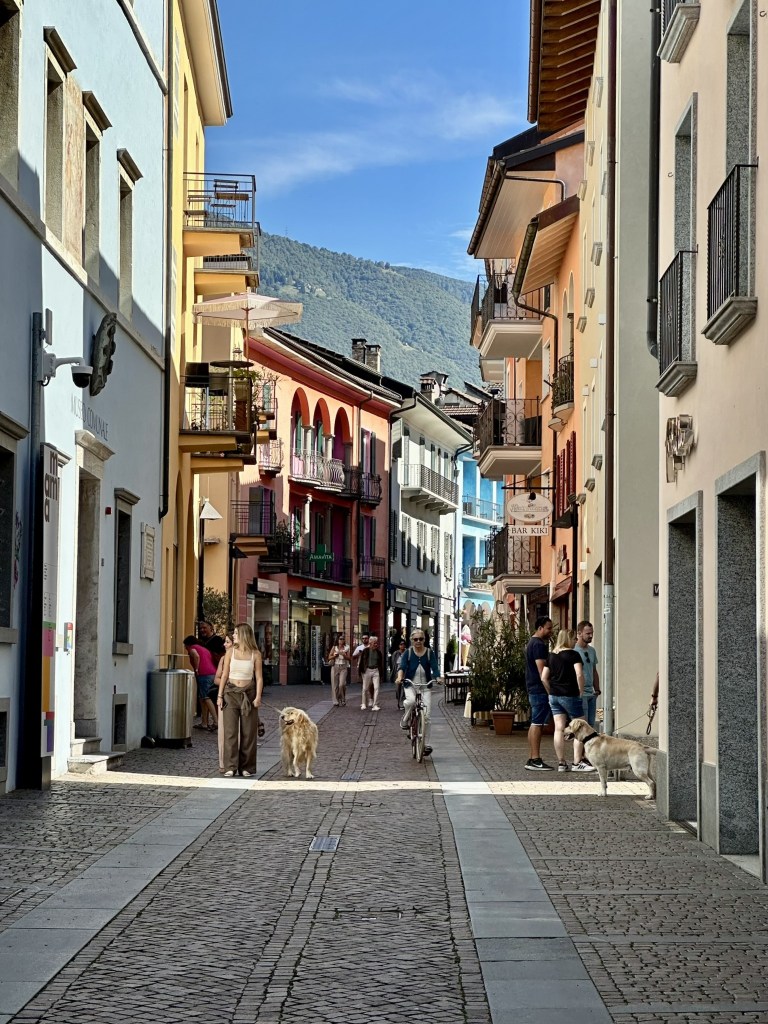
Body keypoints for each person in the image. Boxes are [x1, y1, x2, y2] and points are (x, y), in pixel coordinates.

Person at [216, 623, 263, 778]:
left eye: (236, 633)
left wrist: (258, 696)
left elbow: (259, 677)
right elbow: (224, 675)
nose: (233, 636)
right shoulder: (230, 652)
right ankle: (230, 766)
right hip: (230, 693)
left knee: (249, 732)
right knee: (230, 732)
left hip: (249, 694)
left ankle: (247, 767)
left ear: (243, 635)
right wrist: (220, 696)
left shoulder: (255, 654)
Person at [542, 628, 587, 772]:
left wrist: (550, 692)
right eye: (574, 639)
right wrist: (580, 691)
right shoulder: (574, 655)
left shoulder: (551, 656)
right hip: (570, 695)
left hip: (554, 696)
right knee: (580, 728)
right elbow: (579, 674)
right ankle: (577, 762)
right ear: (568, 639)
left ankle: (561, 763)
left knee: (559, 729)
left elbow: (543, 678)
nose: (575, 641)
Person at [398, 630, 441, 757]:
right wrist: (400, 677)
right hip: (410, 684)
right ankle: (405, 719)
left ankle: (425, 744)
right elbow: (402, 667)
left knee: (426, 716)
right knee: (411, 701)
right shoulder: (408, 652)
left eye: (421, 639)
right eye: (416, 639)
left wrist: (438, 677)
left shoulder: (429, 652)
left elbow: (435, 667)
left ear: (424, 640)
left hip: (425, 686)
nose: (418, 641)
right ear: (412, 640)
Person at [524, 616, 554, 771]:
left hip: (533, 687)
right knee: (538, 723)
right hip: (539, 689)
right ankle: (535, 758)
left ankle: (532, 758)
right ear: (540, 628)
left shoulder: (532, 642)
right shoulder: (538, 645)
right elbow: (542, 671)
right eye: (548, 628)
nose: (551, 631)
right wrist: (550, 691)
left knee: (535, 722)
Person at [574, 620, 600, 772]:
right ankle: (578, 759)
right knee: (581, 727)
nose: (590, 636)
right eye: (587, 633)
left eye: (592, 633)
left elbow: (594, 670)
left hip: (591, 693)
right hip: (581, 693)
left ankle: (586, 757)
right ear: (579, 633)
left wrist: (597, 688)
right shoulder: (574, 651)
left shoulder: (592, 651)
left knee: (590, 726)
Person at [184, 635, 218, 732]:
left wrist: (196, 669)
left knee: (206, 697)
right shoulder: (204, 649)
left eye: (185, 646)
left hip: (204, 674)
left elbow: (196, 656)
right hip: (213, 673)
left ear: (188, 644)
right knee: (202, 698)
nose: (185, 649)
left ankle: (216, 722)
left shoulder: (192, 648)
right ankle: (204, 722)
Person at [213, 633, 233, 770]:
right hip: (226, 696)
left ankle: (237, 762)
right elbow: (216, 679)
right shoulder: (223, 658)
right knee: (224, 731)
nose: (224, 645)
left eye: (227, 642)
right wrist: (229, 684)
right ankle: (223, 763)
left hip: (241, 698)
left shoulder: (247, 657)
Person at [359, 635, 384, 710]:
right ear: (370, 643)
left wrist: (381, 673)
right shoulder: (365, 651)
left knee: (376, 688)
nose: (376, 645)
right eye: (374, 643)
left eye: (376, 643)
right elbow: (361, 662)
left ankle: (375, 704)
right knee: (365, 688)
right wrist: (361, 672)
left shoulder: (378, 652)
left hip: (376, 670)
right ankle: (364, 703)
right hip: (367, 670)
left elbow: (380, 663)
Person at [328, 632, 351, 706]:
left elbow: (349, 658)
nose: (341, 640)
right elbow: (329, 657)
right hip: (335, 666)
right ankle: (336, 700)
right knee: (335, 685)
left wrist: (344, 655)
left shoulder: (347, 648)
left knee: (342, 684)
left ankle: (343, 699)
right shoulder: (334, 647)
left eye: (343, 639)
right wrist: (335, 656)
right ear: (337, 640)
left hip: (343, 667)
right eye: (340, 639)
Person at [390, 639, 407, 709]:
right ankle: (398, 702)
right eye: (401, 644)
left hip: (406, 671)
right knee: (398, 687)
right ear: (399, 645)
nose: (402, 646)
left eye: (403, 644)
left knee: (405, 687)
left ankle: (404, 702)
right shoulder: (395, 653)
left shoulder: (407, 652)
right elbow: (393, 663)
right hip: (398, 672)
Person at [352, 633, 370, 698]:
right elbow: (353, 657)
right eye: (363, 638)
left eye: (366, 638)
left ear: (368, 639)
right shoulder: (359, 647)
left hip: (371, 667)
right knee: (364, 683)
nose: (364, 640)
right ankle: (365, 698)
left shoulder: (371, 646)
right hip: (362, 667)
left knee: (370, 683)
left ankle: (369, 697)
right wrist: (359, 654)